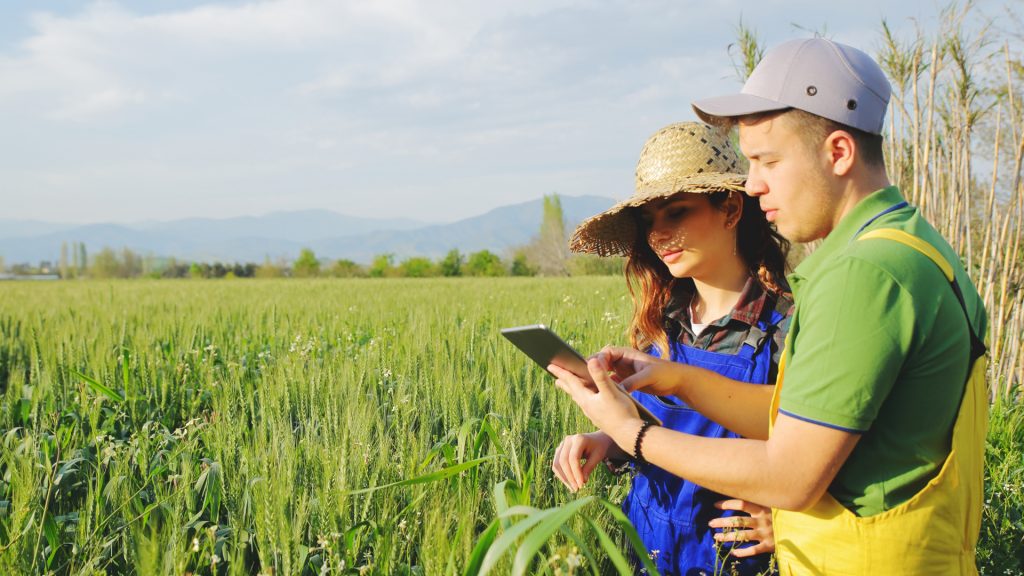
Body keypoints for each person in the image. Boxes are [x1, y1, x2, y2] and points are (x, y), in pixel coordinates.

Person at [550, 38, 988, 575]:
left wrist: (632, 434)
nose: (754, 184)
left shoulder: (863, 274)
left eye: (768, 160)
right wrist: (674, 380)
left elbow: (790, 474)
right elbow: (803, 417)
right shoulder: (918, 247)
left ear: (839, 153)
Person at [551, 121, 793, 575]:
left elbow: (823, 450)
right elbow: (654, 432)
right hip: (648, 549)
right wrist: (606, 441)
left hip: (731, 561)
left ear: (730, 209)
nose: (658, 234)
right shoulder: (660, 325)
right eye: (649, 222)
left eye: (676, 213)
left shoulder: (786, 329)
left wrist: (790, 523)